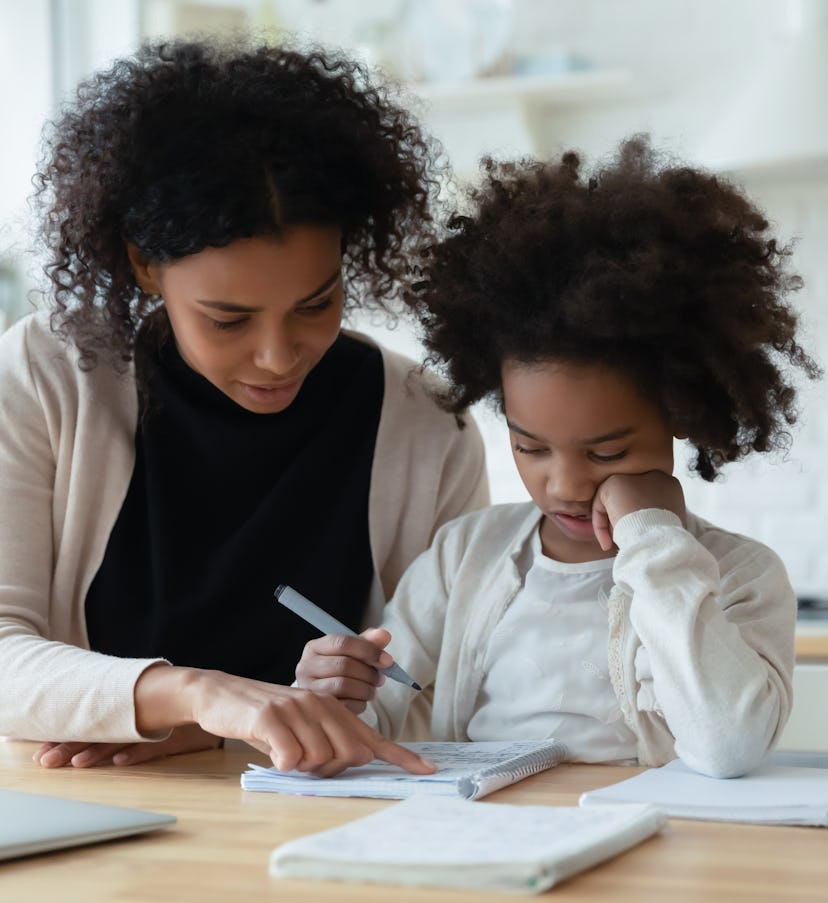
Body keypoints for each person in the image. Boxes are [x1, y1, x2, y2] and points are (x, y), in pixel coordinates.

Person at [0, 37, 489, 775]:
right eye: (228, 319)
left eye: (316, 303)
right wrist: (198, 696)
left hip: (318, 823)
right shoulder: (45, 375)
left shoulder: (424, 425)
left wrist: (222, 727)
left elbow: (444, 692)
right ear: (143, 264)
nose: (278, 354)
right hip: (91, 818)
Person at [296, 136, 822, 778]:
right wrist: (334, 698)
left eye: (608, 451)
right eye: (529, 446)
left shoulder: (742, 576)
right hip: (485, 838)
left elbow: (728, 746)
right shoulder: (464, 557)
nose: (566, 484)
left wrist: (653, 539)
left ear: (683, 412)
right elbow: (374, 718)